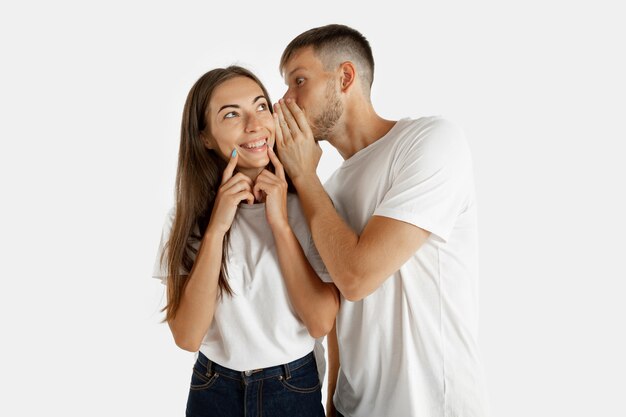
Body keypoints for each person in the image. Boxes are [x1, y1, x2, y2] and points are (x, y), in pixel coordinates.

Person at [273, 24, 489, 417]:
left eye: (298, 81)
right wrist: (334, 401)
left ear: (345, 78)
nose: (285, 101)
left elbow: (357, 276)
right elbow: (339, 311)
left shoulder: (431, 141)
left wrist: (304, 176)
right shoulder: (327, 192)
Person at [152, 65, 340, 417]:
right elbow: (188, 337)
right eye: (231, 115)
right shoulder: (185, 218)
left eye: (260, 107)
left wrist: (280, 224)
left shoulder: (310, 206)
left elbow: (320, 323)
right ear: (205, 136)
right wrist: (216, 228)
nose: (254, 125)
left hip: (292, 386)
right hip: (213, 389)